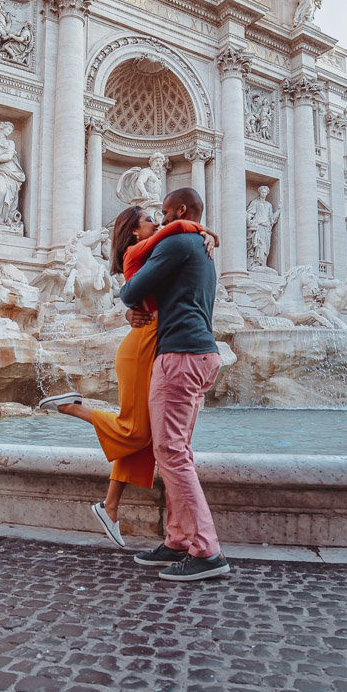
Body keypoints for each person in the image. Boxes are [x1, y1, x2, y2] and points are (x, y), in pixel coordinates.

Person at [38, 208, 216, 549]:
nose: (157, 223)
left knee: (146, 433)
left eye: (158, 217)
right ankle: (72, 408)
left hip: (152, 339)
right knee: (138, 430)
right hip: (144, 344)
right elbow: (172, 234)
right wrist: (201, 229)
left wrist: (201, 235)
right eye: (150, 219)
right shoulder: (143, 250)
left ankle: (111, 506)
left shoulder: (155, 253)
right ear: (134, 232)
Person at [120, 187, 229, 583]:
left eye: (164, 212)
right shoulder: (197, 245)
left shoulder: (179, 241)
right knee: (176, 450)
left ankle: (206, 550)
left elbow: (130, 289)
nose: (161, 220)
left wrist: (132, 300)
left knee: (171, 452)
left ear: (180, 211)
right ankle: (178, 539)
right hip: (201, 353)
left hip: (180, 355)